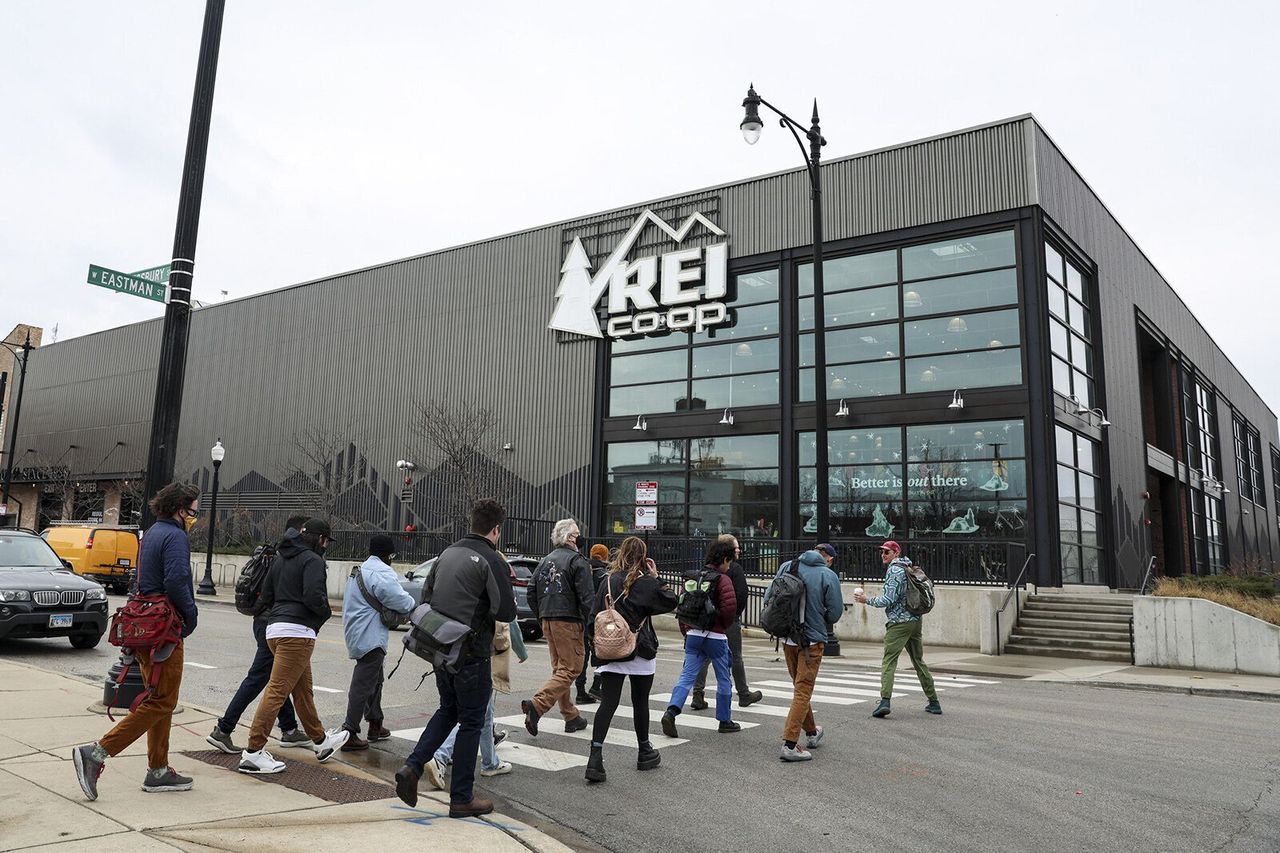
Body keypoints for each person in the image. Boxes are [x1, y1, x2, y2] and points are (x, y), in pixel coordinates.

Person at [73, 482, 201, 800]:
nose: (195, 518)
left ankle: (158, 770)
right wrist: (191, 614)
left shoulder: (152, 533)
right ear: (179, 509)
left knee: (158, 699)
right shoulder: (175, 536)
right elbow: (176, 580)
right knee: (162, 701)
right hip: (164, 628)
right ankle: (97, 753)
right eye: (193, 512)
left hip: (144, 627)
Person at [394, 500, 516, 819]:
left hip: (440, 648)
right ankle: (461, 797)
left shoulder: (447, 553)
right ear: (496, 529)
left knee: (448, 709)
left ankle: (413, 765)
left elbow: (427, 599)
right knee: (472, 721)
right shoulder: (491, 558)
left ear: (472, 522)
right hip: (472, 652)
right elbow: (506, 611)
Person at [238, 519, 350, 774]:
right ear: (320, 538)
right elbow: (314, 596)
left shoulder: (280, 557)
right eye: (326, 541)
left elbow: (266, 596)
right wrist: (321, 617)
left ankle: (321, 741)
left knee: (302, 690)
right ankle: (253, 752)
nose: (326, 547)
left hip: (275, 628)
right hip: (297, 633)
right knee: (277, 691)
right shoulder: (313, 561)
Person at [206, 515, 312, 755]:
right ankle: (223, 729)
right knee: (258, 678)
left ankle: (289, 729)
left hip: (264, 622)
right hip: (273, 624)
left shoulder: (276, 551)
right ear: (300, 532)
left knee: (278, 677)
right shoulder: (288, 556)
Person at [584, 536, 677, 783]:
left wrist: (595, 644)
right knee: (640, 702)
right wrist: (656, 577)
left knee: (609, 702)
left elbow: (593, 615)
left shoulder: (608, 581)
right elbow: (671, 601)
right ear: (643, 558)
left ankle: (595, 756)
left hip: (612, 649)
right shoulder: (646, 582)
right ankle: (644, 750)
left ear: (621, 553)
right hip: (641, 648)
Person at [423, 615, 528, 790]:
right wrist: (521, 650)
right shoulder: (491, 587)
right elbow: (509, 618)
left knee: (485, 714)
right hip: (486, 653)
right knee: (474, 714)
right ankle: (441, 756)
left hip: (459, 651)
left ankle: (490, 762)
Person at [767, 543, 844, 762]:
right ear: (828, 558)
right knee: (803, 690)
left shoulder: (786, 567)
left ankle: (811, 731)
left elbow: (769, 598)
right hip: (811, 641)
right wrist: (819, 618)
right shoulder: (827, 575)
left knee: (799, 686)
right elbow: (835, 612)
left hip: (788, 638)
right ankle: (790, 744)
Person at [340, 534, 416, 750]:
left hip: (357, 630)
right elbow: (401, 602)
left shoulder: (360, 570)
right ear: (387, 555)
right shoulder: (381, 572)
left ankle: (375, 723)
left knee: (375, 678)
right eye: (391, 555)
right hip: (370, 634)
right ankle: (350, 731)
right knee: (363, 683)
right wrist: (412, 603)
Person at [660, 539, 742, 738]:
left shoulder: (692, 577)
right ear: (723, 559)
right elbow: (730, 609)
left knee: (686, 677)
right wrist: (720, 625)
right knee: (724, 678)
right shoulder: (722, 580)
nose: (729, 565)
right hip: (715, 636)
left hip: (693, 634)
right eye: (728, 561)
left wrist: (686, 631)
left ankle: (671, 711)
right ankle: (724, 720)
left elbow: (681, 607)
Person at [521, 518, 594, 737]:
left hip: (548, 619)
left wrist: (542, 615)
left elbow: (531, 591)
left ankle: (570, 715)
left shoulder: (545, 561)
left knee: (560, 668)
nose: (580, 537)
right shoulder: (578, 561)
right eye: (577, 533)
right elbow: (587, 597)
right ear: (571, 538)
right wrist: (591, 624)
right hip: (569, 619)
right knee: (572, 668)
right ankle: (538, 704)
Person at [854, 540, 941, 718]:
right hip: (915, 620)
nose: (883, 555)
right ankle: (934, 702)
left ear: (896, 553)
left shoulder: (894, 570)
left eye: (887, 552)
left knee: (889, 661)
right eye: (882, 552)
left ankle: (885, 701)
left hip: (899, 623)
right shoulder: (908, 567)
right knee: (918, 661)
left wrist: (866, 600)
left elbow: (888, 599)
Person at [690, 534, 763, 711]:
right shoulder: (734, 569)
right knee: (735, 656)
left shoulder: (706, 569)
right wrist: (735, 615)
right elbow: (741, 594)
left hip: (707, 620)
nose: (739, 551)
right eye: (736, 548)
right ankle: (743, 693)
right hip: (728, 620)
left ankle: (697, 694)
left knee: (704, 657)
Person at [575, 543, 611, 704]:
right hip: (598, 620)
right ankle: (596, 686)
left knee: (582, 657)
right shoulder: (604, 575)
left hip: (580, 619)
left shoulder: (583, 570)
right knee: (603, 655)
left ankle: (580, 691)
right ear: (605, 556)